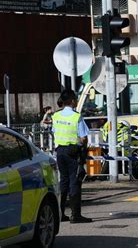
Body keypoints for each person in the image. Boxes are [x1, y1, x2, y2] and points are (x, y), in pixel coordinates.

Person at [52, 90, 92, 223]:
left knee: (63, 182)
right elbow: (84, 137)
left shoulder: (56, 116)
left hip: (60, 152)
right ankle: (76, 215)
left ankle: (60, 213)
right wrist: (83, 147)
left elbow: (54, 132)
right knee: (74, 182)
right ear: (73, 101)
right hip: (72, 152)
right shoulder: (76, 117)